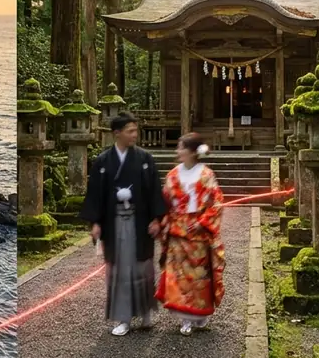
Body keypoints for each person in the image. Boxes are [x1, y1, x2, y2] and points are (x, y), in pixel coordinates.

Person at [79, 112, 167, 336]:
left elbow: (154, 191)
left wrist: (157, 219)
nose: (135, 135)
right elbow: (95, 194)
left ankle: (145, 314)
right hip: (114, 223)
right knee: (118, 271)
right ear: (116, 133)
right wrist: (95, 222)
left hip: (140, 222)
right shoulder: (103, 161)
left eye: (136, 130)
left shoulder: (145, 159)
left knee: (143, 268)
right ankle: (123, 318)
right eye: (130, 131)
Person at [156, 132, 226, 336]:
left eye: (181, 147)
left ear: (193, 152)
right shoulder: (172, 175)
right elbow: (165, 202)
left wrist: (202, 222)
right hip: (177, 230)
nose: (178, 151)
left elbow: (216, 202)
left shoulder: (206, 174)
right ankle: (185, 318)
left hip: (198, 232)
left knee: (199, 276)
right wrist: (161, 221)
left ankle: (199, 314)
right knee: (179, 276)